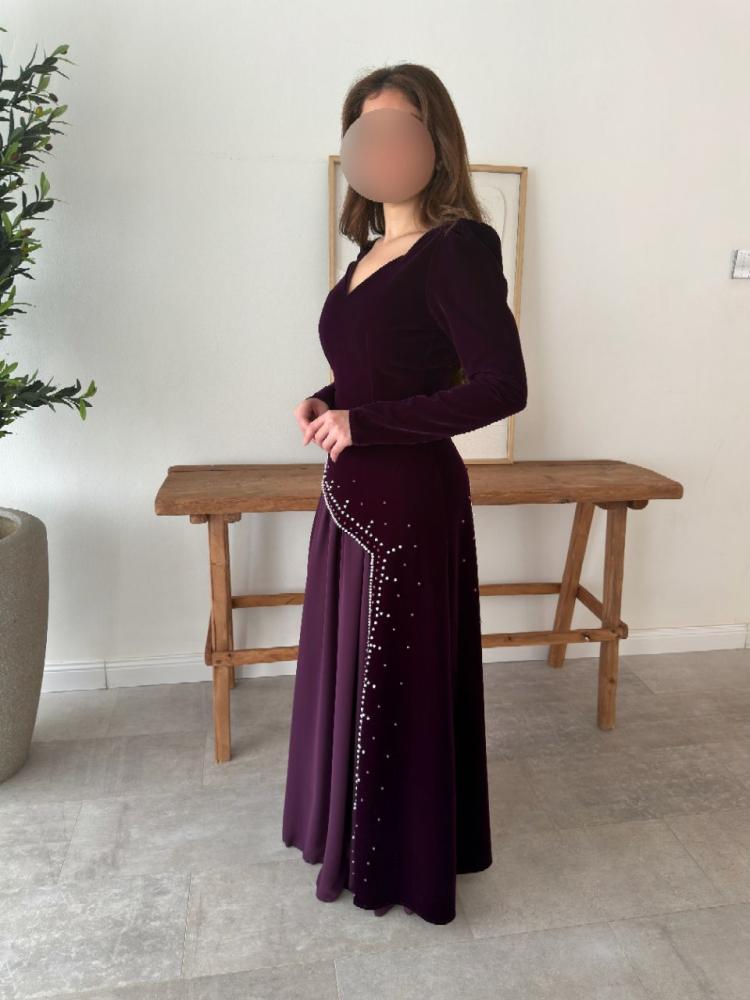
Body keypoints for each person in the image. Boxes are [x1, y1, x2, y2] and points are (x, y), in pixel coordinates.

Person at [282, 63, 528, 925]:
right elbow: (379, 372)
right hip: (350, 497)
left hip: (407, 505)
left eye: (400, 128)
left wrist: (366, 423)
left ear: (434, 143)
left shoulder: (458, 247)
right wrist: (329, 400)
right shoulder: (368, 254)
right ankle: (346, 834)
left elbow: (502, 386)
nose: (383, 146)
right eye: (368, 129)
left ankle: (398, 863)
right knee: (352, 675)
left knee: (395, 681)